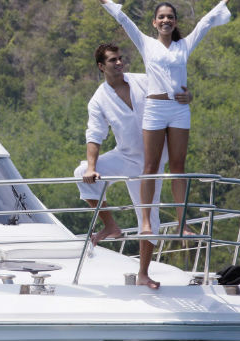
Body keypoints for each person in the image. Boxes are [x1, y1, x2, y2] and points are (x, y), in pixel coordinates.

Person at [75, 0, 240, 236]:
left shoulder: (184, 46)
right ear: (154, 23)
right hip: (155, 108)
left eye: (170, 17)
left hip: (178, 109)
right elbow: (123, 20)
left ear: (175, 22)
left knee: (178, 166)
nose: (166, 20)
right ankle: (145, 222)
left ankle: (181, 222)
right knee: (150, 166)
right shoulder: (146, 44)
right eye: (161, 17)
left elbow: (206, 22)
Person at [74, 43, 192, 289]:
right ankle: (110, 225)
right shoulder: (99, 99)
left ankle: (144, 273)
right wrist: (92, 168)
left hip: (153, 161)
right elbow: (94, 135)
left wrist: (187, 95)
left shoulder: (143, 81)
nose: (118, 63)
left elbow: (173, 89)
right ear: (101, 66)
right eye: (112, 60)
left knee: (148, 218)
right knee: (80, 172)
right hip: (125, 157)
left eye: (120, 59)